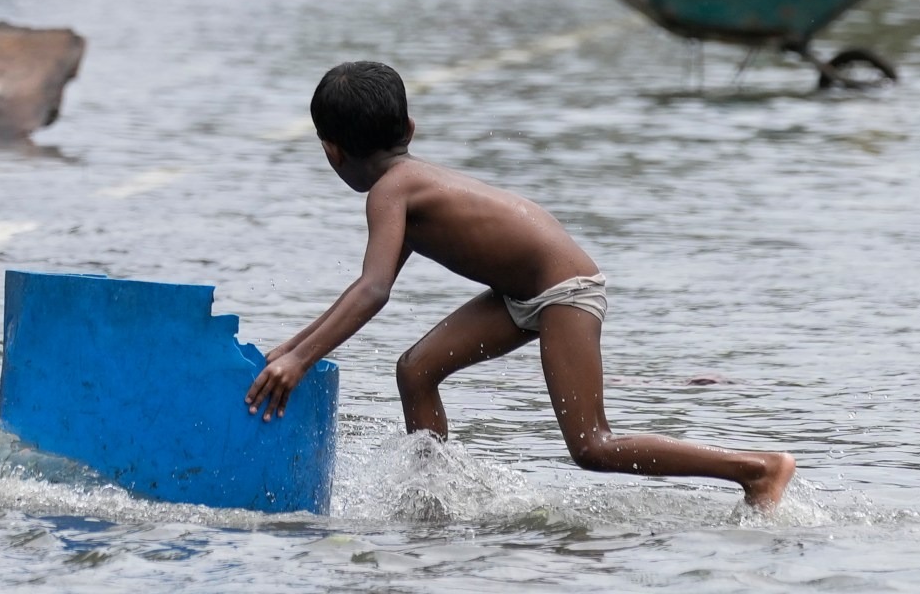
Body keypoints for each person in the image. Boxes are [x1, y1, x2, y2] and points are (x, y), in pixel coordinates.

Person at [243, 61, 797, 509]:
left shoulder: (391, 192)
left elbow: (372, 290)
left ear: (330, 150)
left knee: (592, 446)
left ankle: (755, 469)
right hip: (523, 294)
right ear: (410, 130)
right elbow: (368, 287)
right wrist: (294, 348)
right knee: (416, 370)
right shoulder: (408, 185)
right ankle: (430, 499)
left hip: (565, 293)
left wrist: (301, 360)